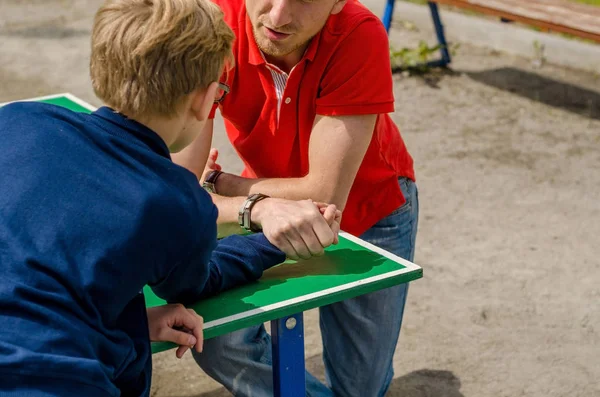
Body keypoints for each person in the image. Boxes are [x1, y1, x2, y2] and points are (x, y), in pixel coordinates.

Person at [0, 0, 340, 396]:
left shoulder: (18, 120)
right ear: (205, 98)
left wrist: (128, 321)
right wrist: (271, 242)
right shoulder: (174, 202)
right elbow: (198, 283)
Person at [173, 0, 419, 395]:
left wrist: (221, 184)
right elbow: (180, 187)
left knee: (361, 386)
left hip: (373, 209)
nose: (278, 17)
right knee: (221, 340)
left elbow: (322, 194)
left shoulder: (359, 33)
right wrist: (246, 203)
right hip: (264, 207)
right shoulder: (213, 22)